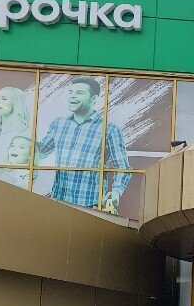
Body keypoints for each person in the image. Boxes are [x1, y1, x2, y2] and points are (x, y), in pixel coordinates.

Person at [36, 76, 131, 209]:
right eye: (71, 92)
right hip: (58, 202)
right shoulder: (58, 124)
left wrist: (116, 191)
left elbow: (123, 167)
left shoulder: (110, 129)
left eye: (79, 93)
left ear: (94, 98)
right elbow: (40, 151)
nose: (72, 96)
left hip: (90, 206)